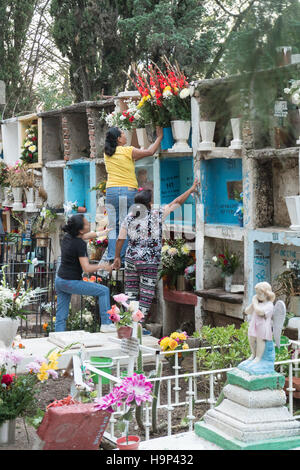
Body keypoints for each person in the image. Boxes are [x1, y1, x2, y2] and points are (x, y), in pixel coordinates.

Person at [111, 179, 199, 330]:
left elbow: (120, 239)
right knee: (146, 295)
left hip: (132, 260)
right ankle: (137, 324)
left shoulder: (129, 217)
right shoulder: (156, 214)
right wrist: (191, 189)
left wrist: (117, 257)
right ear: (150, 203)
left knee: (131, 292)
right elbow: (177, 202)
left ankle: (127, 324)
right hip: (149, 262)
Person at [104, 126, 163, 263]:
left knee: (114, 225)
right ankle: (123, 259)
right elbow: (150, 151)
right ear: (119, 139)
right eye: (123, 133)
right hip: (127, 190)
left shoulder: (107, 153)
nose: (125, 135)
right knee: (127, 224)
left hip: (111, 191)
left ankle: (113, 257)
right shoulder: (128, 151)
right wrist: (159, 137)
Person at [55, 214, 114, 333]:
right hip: (71, 282)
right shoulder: (80, 244)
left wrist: (102, 233)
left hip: (60, 281)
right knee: (103, 291)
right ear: (80, 230)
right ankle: (106, 324)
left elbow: (86, 236)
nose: (89, 224)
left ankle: (58, 337)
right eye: (87, 224)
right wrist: (104, 266)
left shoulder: (68, 237)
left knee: (61, 316)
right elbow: (86, 268)